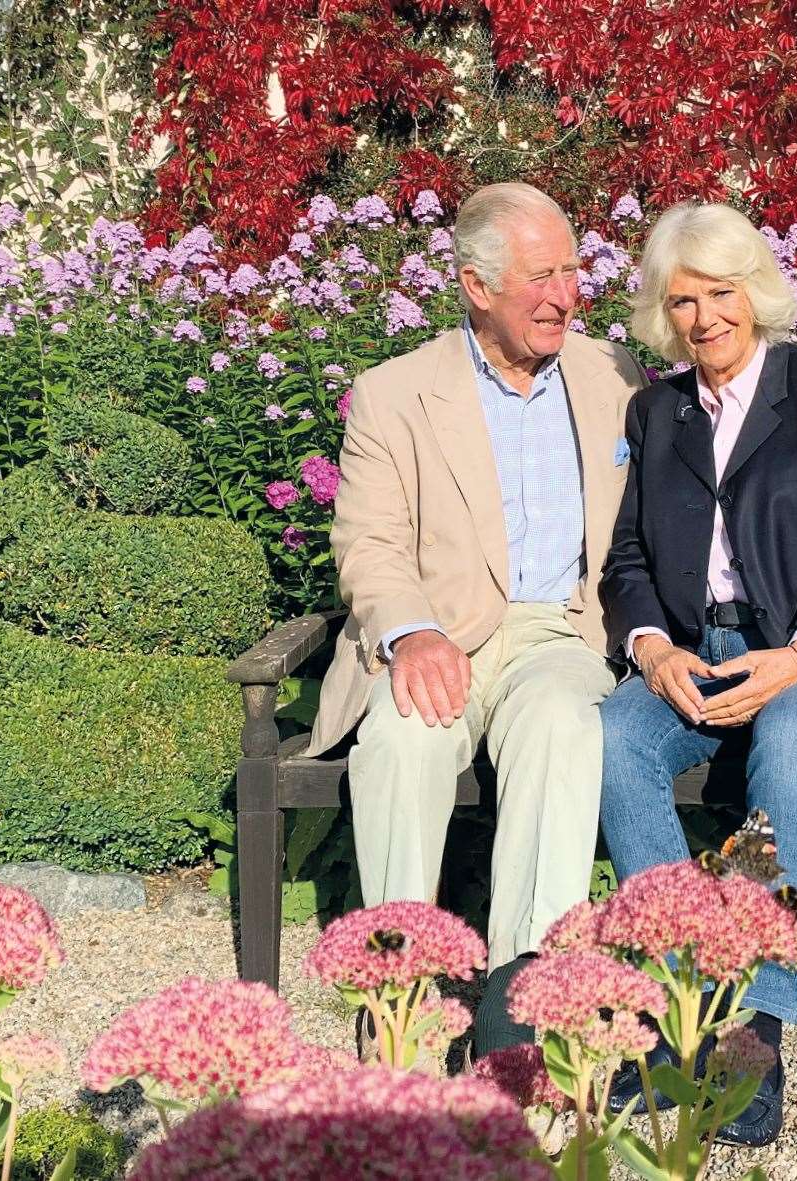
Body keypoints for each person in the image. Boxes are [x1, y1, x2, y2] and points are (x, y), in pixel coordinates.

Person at [596, 202, 797, 1144]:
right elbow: (626, 561)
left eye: (722, 293)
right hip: (696, 654)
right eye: (685, 302)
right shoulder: (656, 410)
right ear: (666, 316)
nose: (706, 319)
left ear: (755, 292)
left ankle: (758, 1029)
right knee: (613, 735)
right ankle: (675, 1009)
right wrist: (651, 645)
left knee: (791, 731)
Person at [302, 182, 646, 1057]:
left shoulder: (615, 376)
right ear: (475, 286)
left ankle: (522, 990)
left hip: (560, 632)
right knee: (401, 741)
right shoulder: (396, 393)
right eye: (539, 276)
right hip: (439, 632)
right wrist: (410, 630)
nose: (562, 294)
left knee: (567, 724)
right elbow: (369, 541)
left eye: (571, 270)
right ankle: (400, 991)